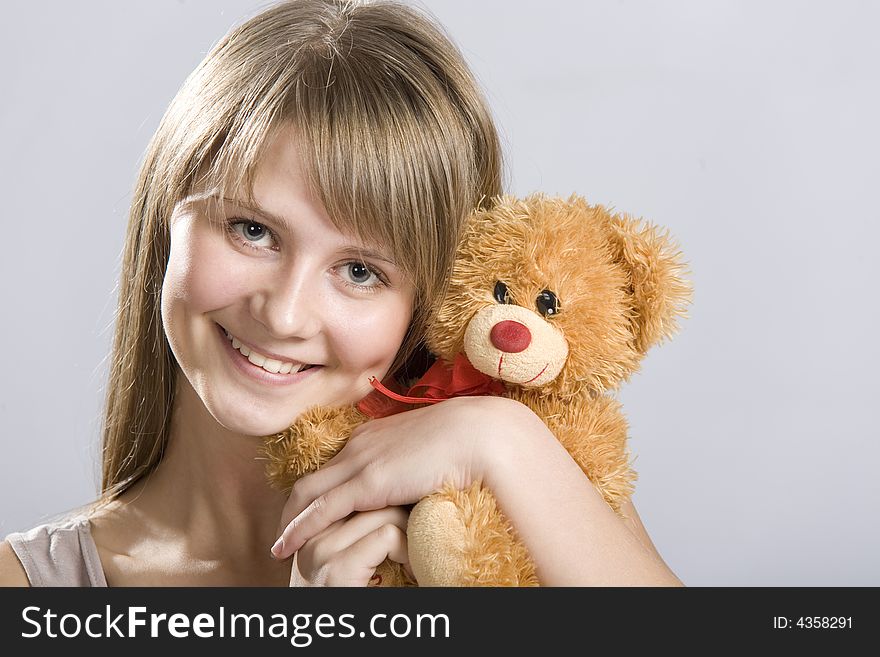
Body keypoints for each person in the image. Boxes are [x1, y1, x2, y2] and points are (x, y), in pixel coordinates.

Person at [0, 0, 682, 587]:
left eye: (360, 271)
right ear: (165, 220)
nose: (285, 312)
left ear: (429, 307)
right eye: (251, 229)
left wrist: (502, 440)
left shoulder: (528, 483)